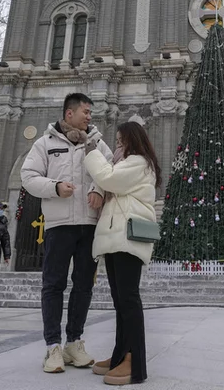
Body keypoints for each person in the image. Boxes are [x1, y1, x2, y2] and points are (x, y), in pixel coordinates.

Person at [21, 93, 113, 374]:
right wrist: (55, 187)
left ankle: (74, 342)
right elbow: (28, 176)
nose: (89, 116)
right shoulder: (45, 143)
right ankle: (53, 347)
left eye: (90, 113)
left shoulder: (96, 143)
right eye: (85, 111)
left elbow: (110, 172)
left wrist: (98, 190)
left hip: (89, 225)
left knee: (84, 285)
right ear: (69, 113)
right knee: (53, 285)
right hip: (59, 226)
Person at [83, 121, 159, 386]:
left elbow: (107, 177)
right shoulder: (126, 162)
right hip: (117, 237)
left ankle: (134, 363)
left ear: (132, 140)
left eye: (120, 140)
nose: (117, 144)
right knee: (120, 301)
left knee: (128, 300)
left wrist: (91, 149)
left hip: (128, 237)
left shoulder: (138, 162)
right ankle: (119, 356)